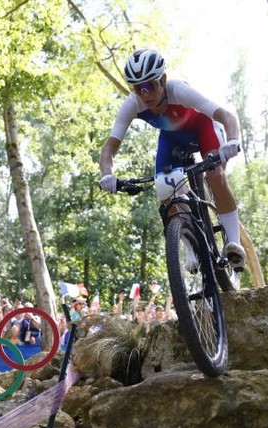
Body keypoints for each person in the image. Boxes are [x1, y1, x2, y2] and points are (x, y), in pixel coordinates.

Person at [98, 48, 245, 269]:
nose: (144, 94)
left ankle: (234, 243)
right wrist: (106, 174)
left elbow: (226, 116)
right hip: (172, 138)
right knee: (165, 190)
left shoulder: (179, 90)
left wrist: (231, 141)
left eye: (149, 86)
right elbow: (109, 148)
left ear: (163, 80)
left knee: (215, 175)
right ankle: (188, 244)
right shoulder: (133, 104)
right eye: (138, 89)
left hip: (203, 128)